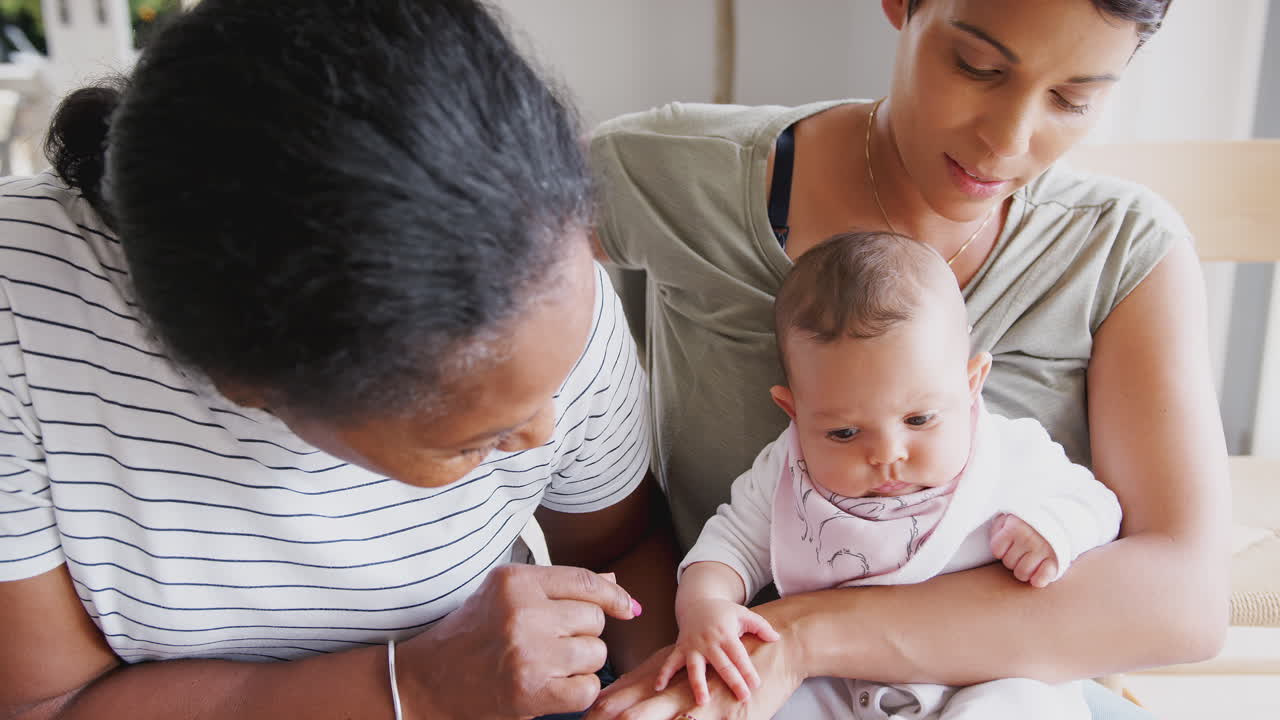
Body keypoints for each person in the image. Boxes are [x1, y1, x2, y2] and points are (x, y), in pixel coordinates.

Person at [0, 1, 680, 719]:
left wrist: (664, 686)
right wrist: (414, 687)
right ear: (250, 385)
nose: (546, 431)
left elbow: (623, 544)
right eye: (471, 440)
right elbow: (50, 704)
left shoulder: (542, 273)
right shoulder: (25, 314)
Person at [586, 1, 1229, 719]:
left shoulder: (1121, 250)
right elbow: (469, 266)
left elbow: (1185, 604)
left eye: (1072, 99)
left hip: (1010, 689)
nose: (1006, 142)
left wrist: (799, 640)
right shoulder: (680, 176)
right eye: (977, 67)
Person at [657, 231, 1122, 720]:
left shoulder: (1010, 453)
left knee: (1022, 704)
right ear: (792, 411)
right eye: (843, 432)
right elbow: (729, 544)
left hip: (986, 670)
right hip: (836, 678)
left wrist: (1056, 530)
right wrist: (704, 605)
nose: (886, 454)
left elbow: (1098, 503)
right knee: (759, 700)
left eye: (919, 420)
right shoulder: (787, 469)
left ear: (970, 386)